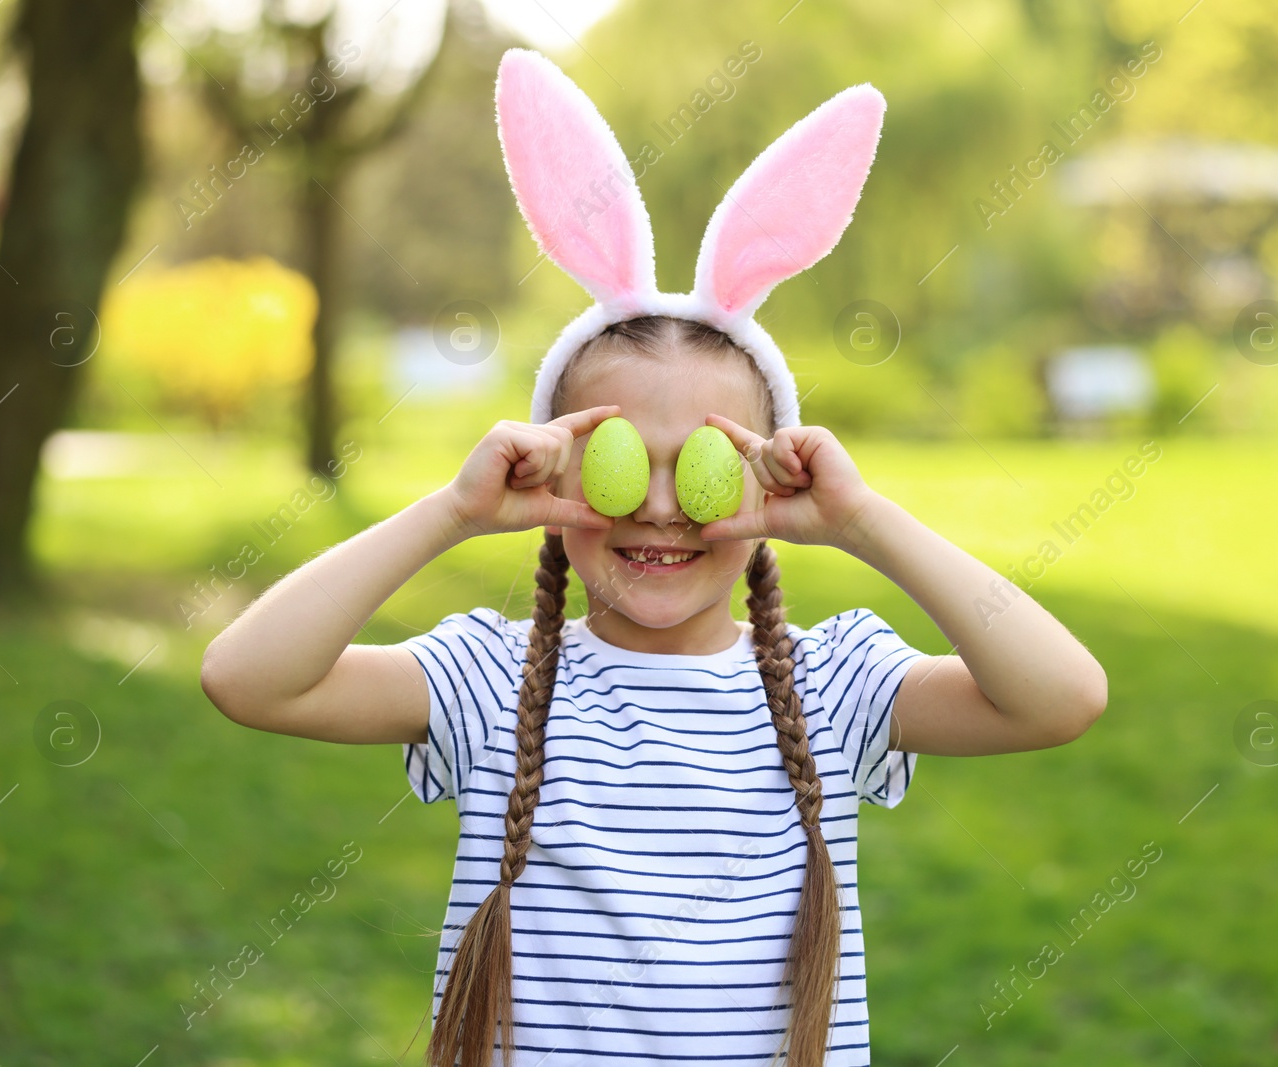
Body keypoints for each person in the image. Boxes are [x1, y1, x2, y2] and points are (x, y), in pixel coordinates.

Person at [200, 49, 1107, 1067]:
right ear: (551, 474)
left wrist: (864, 521)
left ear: (771, 481)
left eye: (710, 463)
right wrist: (451, 513)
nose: (667, 508)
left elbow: (1060, 695)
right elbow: (245, 676)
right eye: (624, 462)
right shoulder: (488, 679)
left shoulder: (833, 682)